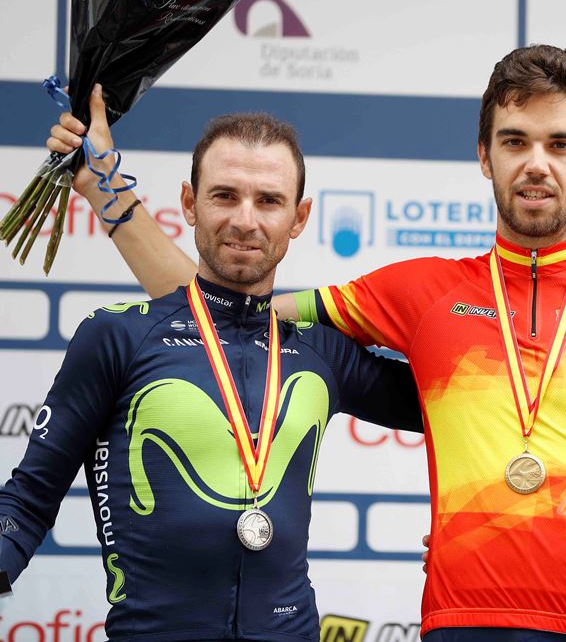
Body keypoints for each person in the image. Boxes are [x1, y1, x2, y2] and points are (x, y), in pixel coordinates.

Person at [46, 46, 566, 641]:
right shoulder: (421, 292)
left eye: (560, 145)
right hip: (460, 625)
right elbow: (219, 311)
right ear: (484, 155)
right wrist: (106, 190)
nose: (536, 164)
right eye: (515, 141)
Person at [0, 95, 424, 641]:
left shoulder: (321, 349)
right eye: (225, 195)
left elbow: (462, 407)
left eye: (268, 201)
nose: (245, 220)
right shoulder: (118, 336)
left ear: (298, 218)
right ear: (189, 203)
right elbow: (27, 501)